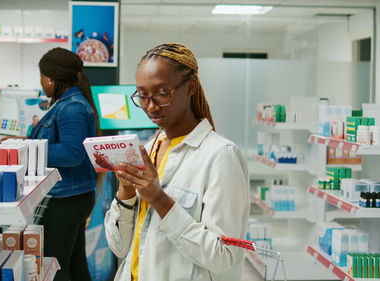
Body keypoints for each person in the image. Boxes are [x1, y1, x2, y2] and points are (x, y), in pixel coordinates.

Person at [104, 43, 250, 281]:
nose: (150, 106)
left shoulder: (221, 156)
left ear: (190, 87)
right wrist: (126, 192)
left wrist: (159, 199)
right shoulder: (149, 149)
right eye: (142, 96)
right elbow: (120, 248)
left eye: (162, 93)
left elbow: (224, 256)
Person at [29, 47, 100, 281]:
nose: (41, 83)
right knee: (75, 263)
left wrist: (30, 149)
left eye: (41, 77)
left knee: (56, 267)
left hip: (66, 198)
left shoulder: (72, 107)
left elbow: (72, 153)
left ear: (50, 78)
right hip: (73, 195)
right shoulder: (66, 103)